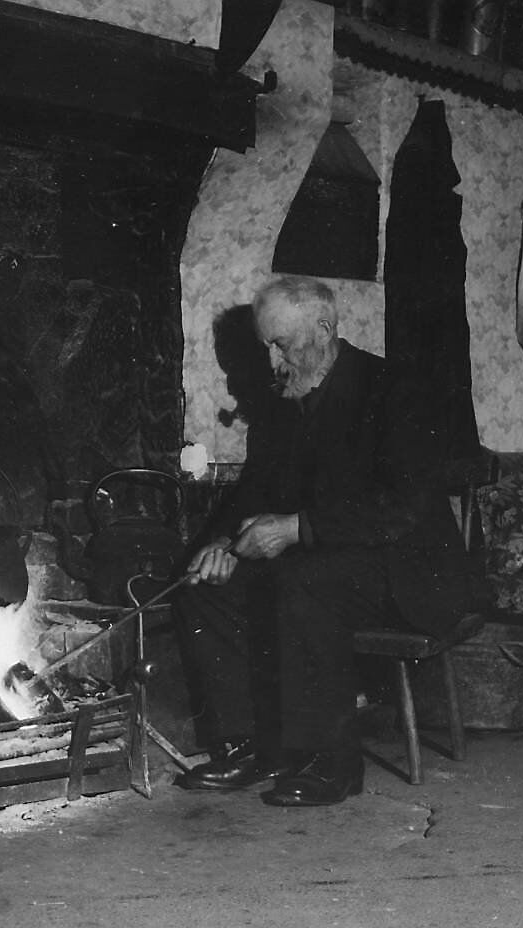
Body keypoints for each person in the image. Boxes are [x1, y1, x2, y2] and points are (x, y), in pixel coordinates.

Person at [173, 275, 487, 807]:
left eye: (283, 345)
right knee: (204, 585)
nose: (273, 362)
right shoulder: (282, 401)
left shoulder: (397, 388)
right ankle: (248, 748)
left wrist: (297, 528)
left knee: (303, 582)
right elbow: (254, 490)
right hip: (333, 560)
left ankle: (331, 763)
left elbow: (402, 507)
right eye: (267, 347)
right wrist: (221, 543)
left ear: (325, 328)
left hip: (411, 569)